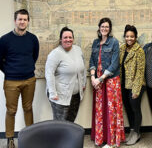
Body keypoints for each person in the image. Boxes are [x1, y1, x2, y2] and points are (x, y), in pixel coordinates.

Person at [0, 9, 39, 148]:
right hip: (11, 81)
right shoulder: (4, 40)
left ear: (28, 21)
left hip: (29, 80)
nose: (22, 22)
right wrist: (9, 70)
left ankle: (30, 137)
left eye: (25, 19)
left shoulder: (33, 39)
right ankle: (10, 140)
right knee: (11, 111)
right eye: (20, 19)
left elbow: (34, 56)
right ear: (15, 21)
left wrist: (26, 68)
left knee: (28, 108)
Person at [90, 17, 125, 148]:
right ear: (99, 28)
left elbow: (115, 64)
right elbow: (92, 61)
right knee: (100, 110)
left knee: (111, 111)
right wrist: (93, 77)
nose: (104, 29)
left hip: (110, 81)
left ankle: (111, 141)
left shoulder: (114, 42)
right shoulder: (95, 43)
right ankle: (100, 138)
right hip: (98, 81)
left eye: (107, 27)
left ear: (109, 29)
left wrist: (101, 78)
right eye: (102, 26)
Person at [45, 27, 86, 122]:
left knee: (71, 121)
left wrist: (83, 84)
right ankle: (57, 138)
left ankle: (69, 137)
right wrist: (52, 93)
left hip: (75, 95)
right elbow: (49, 73)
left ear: (73, 39)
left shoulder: (78, 50)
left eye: (70, 37)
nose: (68, 39)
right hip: (60, 96)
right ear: (61, 39)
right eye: (65, 37)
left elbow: (83, 68)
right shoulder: (55, 54)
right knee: (60, 123)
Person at [119, 25, 145, 145]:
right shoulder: (122, 48)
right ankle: (132, 131)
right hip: (124, 84)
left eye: (132, 36)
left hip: (135, 85)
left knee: (135, 109)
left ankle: (137, 133)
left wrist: (136, 90)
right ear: (124, 37)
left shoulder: (139, 50)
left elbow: (140, 72)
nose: (129, 38)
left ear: (135, 37)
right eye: (127, 36)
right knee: (128, 109)